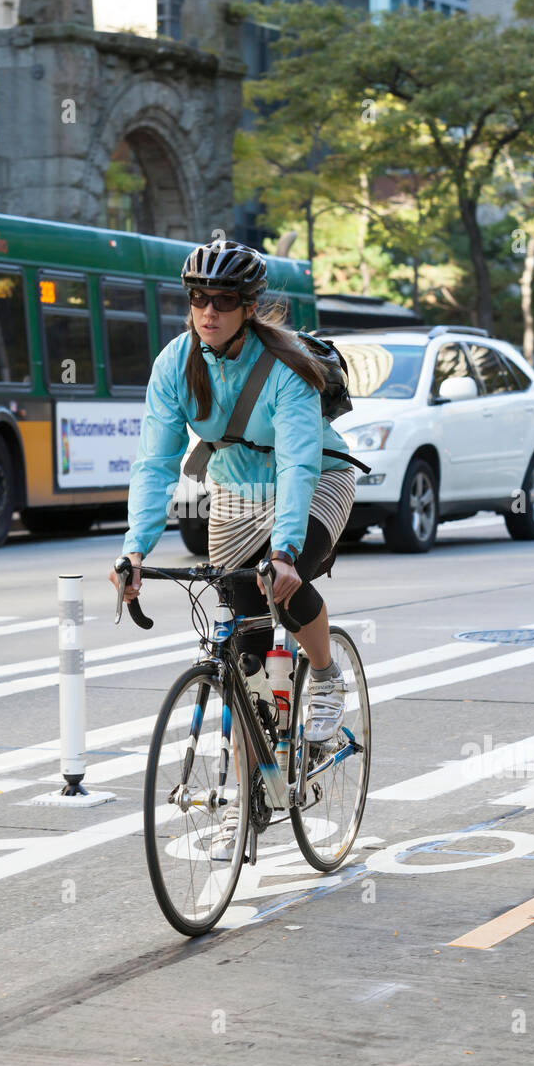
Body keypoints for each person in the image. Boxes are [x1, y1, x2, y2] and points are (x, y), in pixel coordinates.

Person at [108, 239, 356, 854]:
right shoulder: (174, 364)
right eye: (197, 299)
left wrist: (286, 552)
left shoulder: (288, 367)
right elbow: (155, 462)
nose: (208, 311)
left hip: (316, 479)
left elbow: (299, 461)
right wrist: (135, 551)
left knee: (285, 586)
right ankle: (246, 801)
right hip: (236, 496)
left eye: (221, 300)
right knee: (241, 653)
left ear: (248, 306)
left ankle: (323, 676)